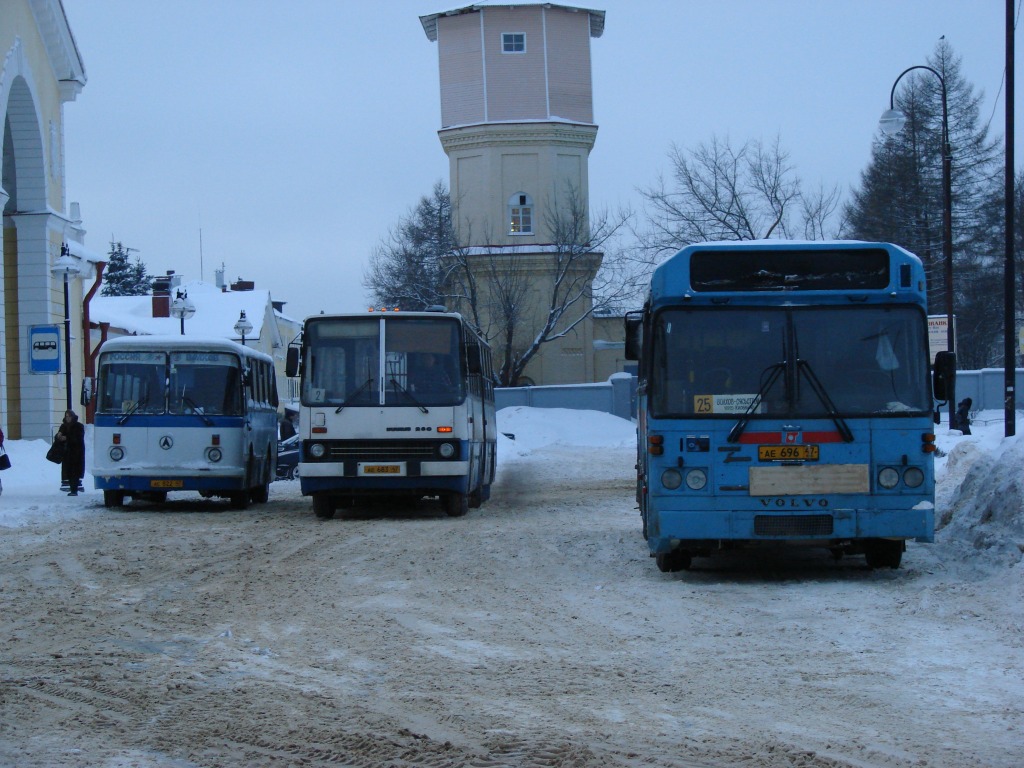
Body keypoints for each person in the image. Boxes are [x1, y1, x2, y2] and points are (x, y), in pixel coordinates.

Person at [56, 409, 86, 496]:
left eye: (69, 416)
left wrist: (66, 438)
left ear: (73, 417)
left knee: (75, 472)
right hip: (66, 453)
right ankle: (72, 489)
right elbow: (59, 437)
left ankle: (74, 490)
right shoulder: (64, 426)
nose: (68, 418)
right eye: (66, 416)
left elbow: (78, 438)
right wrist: (59, 436)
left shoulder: (78, 426)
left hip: (76, 453)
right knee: (68, 471)